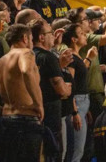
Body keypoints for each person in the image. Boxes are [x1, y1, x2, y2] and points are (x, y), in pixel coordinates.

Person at [0, 24, 44, 161]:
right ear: (25, 38)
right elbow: (26, 71)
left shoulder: (0, 62)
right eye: (32, 39)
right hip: (26, 120)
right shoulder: (25, 53)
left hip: (6, 121)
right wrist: (38, 104)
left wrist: (0, 108)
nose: (32, 43)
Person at [30, 19, 71, 161]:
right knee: (54, 152)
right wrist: (68, 89)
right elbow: (61, 90)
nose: (53, 35)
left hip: (34, 113)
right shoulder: (49, 57)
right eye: (50, 33)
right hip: (51, 113)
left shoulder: (29, 55)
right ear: (41, 37)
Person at [62, 23, 98, 162]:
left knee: (80, 149)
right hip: (76, 103)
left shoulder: (76, 56)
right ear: (74, 39)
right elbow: (70, 82)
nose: (85, 35)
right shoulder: (70, 56)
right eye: (81, 33)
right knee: (76, 151)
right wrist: (75, 111)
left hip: (82, 103)